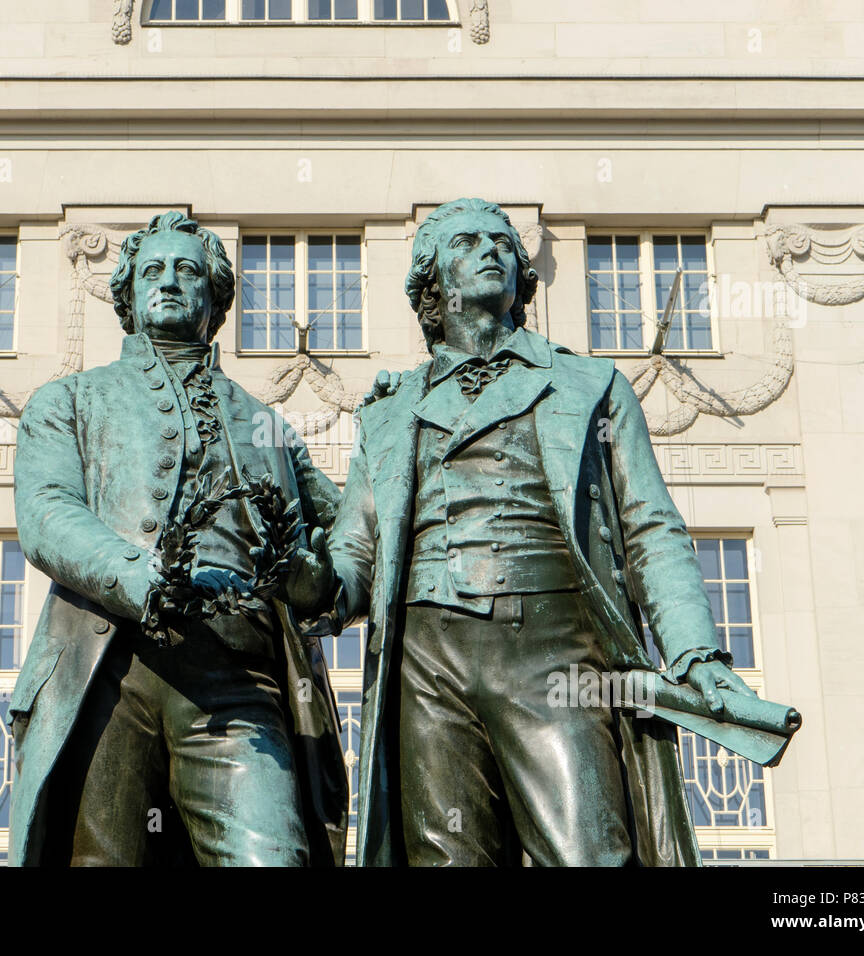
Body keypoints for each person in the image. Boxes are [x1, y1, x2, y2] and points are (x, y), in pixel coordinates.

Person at [286, 197, 756, 866]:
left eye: (504, 243)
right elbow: (356, 552)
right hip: (428, 658)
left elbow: (652, 529)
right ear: (431, 283)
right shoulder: (391, 410)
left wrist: (696, 653)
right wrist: (311, 582)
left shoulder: (589, 384)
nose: (493, 251)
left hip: (553, 647)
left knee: (587, 850)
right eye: (468, 242)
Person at [7, 211, 347, 866]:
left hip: (240, 676)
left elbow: (339, 547)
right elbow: (47, 513)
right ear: (127, 296)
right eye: (152, 270)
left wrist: (309, 573)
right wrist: (141, 577)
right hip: (112, 666)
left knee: (273, 854)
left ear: (216, 299)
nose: (168, 281)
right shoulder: (71, 401)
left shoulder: (268, 424)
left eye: (187, 270)